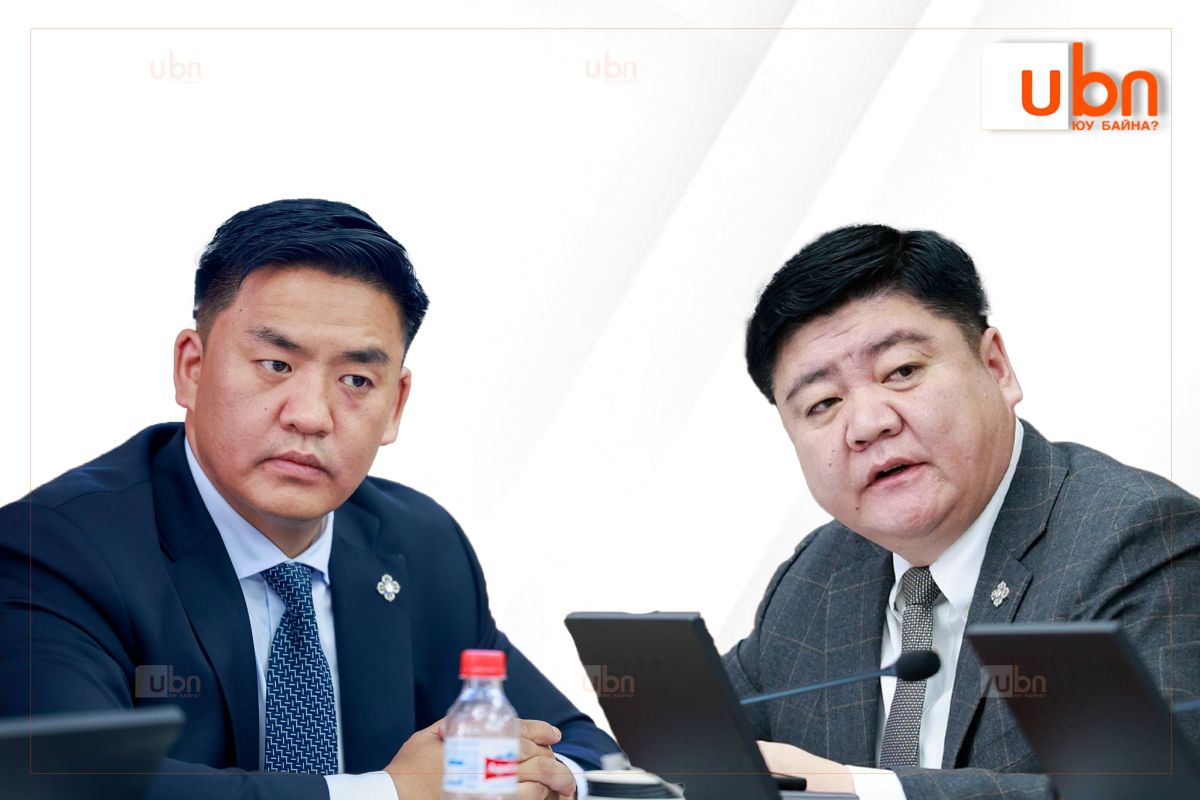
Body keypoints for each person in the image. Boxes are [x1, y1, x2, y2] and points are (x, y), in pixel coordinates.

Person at [0, 199, 617, 800]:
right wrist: (390, 794)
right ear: (192, 367)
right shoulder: (54, 550)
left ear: (395, 405)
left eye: (356, 380)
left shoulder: (419, 544)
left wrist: (546, 780)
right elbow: (66, 782)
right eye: (275, 364)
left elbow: (586, 752)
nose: (311, 415)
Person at [723, 224, 1200, 799]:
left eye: (902, 371)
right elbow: (694, 739)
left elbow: (1149, 793)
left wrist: (857, 790)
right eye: (823, 403)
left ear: (996, 367)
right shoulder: (819, 574)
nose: (868, 424)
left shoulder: (1136, 540)